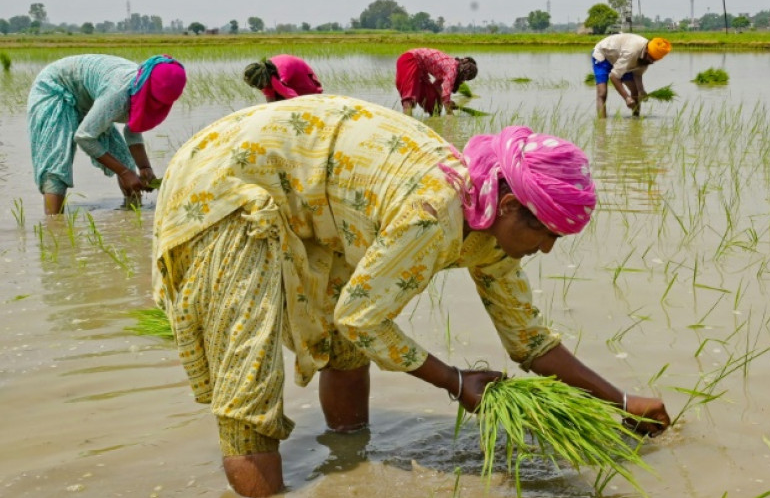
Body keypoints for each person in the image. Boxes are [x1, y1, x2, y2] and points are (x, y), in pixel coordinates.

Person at [152, 94, 670, 497]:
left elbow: (528, 339)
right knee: (250, 392)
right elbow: (363, 316)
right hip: (226, 184)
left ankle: (348, 454)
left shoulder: (493, 232)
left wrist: (622, 402)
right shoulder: (435, 210)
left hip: (308, 198)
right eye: (547, 234)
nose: (550, 249)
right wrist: (453, 380)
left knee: (345, 346)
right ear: (510, 205)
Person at [27, 54, 186, 214]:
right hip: (55, 88)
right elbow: (84, 137)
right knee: (57, 165)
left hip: (88, 98)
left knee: (124, 159)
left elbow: (133, 128)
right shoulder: (119, 93)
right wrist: (124, 173)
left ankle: (133, 215)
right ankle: (54, 227)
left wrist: (144, 167)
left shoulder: (143, 87)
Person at [592, 33, 671, 118]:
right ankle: (601, 124)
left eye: (654, 60)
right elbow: (613, 76)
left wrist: (641, 90)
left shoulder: (646, 59)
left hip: (621, 59)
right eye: (651, 58)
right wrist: (626, 98)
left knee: (635, 91)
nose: (651, 62)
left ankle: (636, 120)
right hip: (604, 55)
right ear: (646, 50)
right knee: (602, 93)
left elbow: (637, 74)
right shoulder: (632, 52)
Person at [395, 48, 477, 116]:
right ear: (463, 74)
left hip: (420, 69)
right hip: (410, 60)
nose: (462, 81)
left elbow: (437, 86)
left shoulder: (449, 67)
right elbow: (446, 95)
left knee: (434, 103)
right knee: (409, 99)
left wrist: (446, 102)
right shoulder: (453, 69)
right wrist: (450, 113)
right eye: (464, 79)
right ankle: (408, 124)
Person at [243, 55, 323, 102]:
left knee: (309, 99)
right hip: (287, 70)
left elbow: (292, 96)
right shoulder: (264, 75)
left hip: (300, 73)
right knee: (278, 100)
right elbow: (269, 95)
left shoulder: (276, 78)